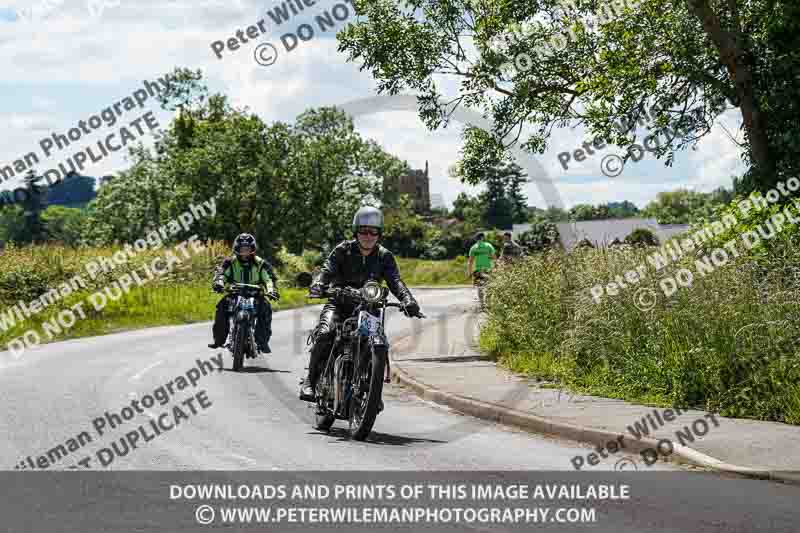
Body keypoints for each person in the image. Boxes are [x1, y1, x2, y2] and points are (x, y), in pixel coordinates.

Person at [299, 205, 422, 401]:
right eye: (363, 231)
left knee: (377, 340)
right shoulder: (343, 250)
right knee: (325, 333)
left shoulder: (384, 256)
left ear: (379, 234)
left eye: (373, 231)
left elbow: (395, 281)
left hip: (369, 309)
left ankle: (373, 390)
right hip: (339, 304)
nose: (368, 235)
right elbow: (327, 269)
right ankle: (310, 382)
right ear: (356, 232)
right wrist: (319, 283)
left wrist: (408, 299)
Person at [207, 233, 279, 354]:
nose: (245, 252)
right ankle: (218, 340)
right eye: (242, 249)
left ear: (252, 249)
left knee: (266, 309)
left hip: (255, 294)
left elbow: (269, 279)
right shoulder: (230, 262)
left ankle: (262, 342)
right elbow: (221, 275)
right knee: (221, 308)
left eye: (247, 249)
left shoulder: (261, 263)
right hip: (235, 293)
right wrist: (218, 283)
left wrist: (272, 290)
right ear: (237, 249)